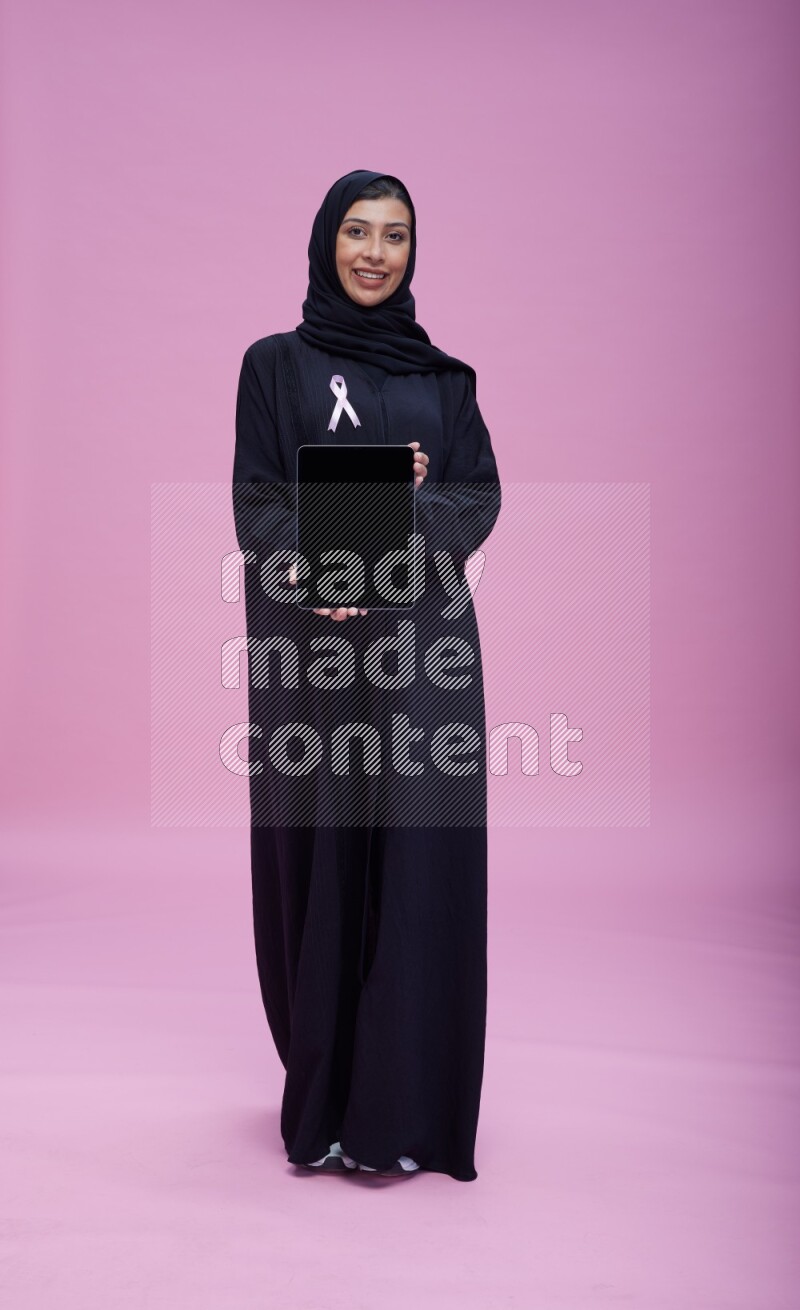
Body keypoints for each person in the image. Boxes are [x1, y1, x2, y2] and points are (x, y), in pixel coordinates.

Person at [232, 169, 501, 1181]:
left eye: (393, 235)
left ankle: (406, 1112)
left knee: (417, 864)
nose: (374, 252)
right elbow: (259, 504)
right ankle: (329, 1106)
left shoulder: (446, 383)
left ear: (411, 252)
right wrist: (324, 558)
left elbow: (475, 497)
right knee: (327, 859)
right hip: (314, 656)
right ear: (324, 240)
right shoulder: (272, 365)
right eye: (357, 230)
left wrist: (371, 518)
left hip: (421, 660)